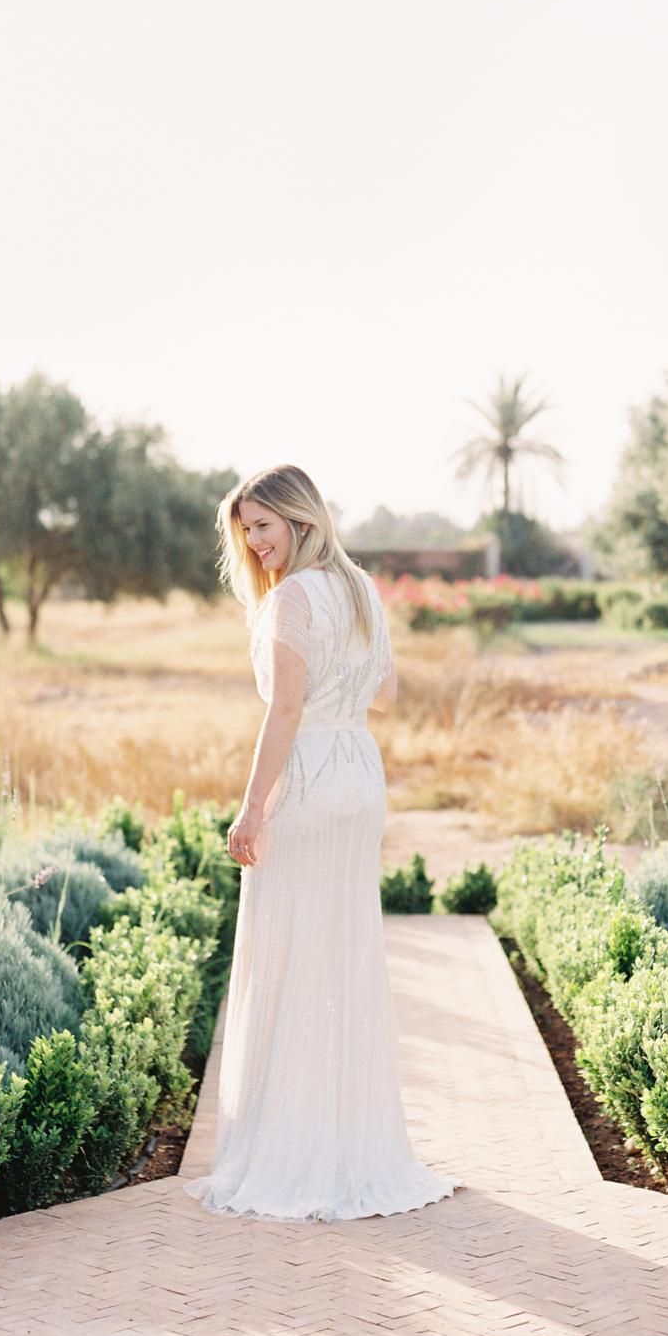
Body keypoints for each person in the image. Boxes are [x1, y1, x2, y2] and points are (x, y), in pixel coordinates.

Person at [180, 463, 464, 1223]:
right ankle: (350, 1146)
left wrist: (250, 811)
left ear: (301, 522)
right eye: (246, 531)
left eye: (264, 527)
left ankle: (293, 1151)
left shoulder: (294, 599)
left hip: (307, 777)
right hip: (359, 774)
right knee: (341, 951)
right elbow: (389, 690)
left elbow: (284, 713)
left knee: (289, 952)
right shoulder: (363, 590)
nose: (254, 544)